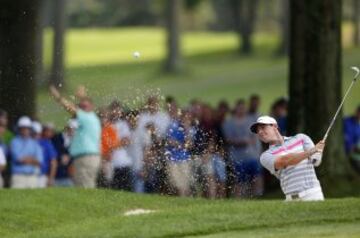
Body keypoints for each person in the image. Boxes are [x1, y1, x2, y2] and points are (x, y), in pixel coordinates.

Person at [250, 116, 325, 201]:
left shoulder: (301, 138)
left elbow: (316, 162)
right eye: (257, 131)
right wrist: (311, 151)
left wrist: (318, 152)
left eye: (263, 127)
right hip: (292, 198)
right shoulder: (265, 156)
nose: (260, 132)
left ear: (274, 126)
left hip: (313, 193)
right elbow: (285, 161)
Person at [49, 85, 101, 188]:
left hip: (86, 157)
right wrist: (82, 97)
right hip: (87, 157)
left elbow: (70, 108)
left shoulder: (88, 117)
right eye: (80, 106)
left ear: (92, 107)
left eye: (84, 107)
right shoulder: (91, 118)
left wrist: (58, 97)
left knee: (84, 188)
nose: (81, 109)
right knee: (84, 186)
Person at [10, 116, 43, 189]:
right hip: (18, 177)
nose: (25, 130)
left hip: (32, 177)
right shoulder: (14, 142)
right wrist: (32, 159)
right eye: (23, 128)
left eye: (27, 128)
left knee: (34, 200)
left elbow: (39, 161)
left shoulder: (34, 143)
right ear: (19, 129)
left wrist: (26, 159)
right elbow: (18, 159)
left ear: (30, 129)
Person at [52, 119, 77, 187]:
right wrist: (61, 156)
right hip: (56, 173)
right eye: (72, 128)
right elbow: (53, 151)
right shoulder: (57, 137)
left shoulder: (76, 141)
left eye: (75, 129)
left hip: (69, 175)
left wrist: (69, 157)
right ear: (67, 128)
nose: (73, 131)